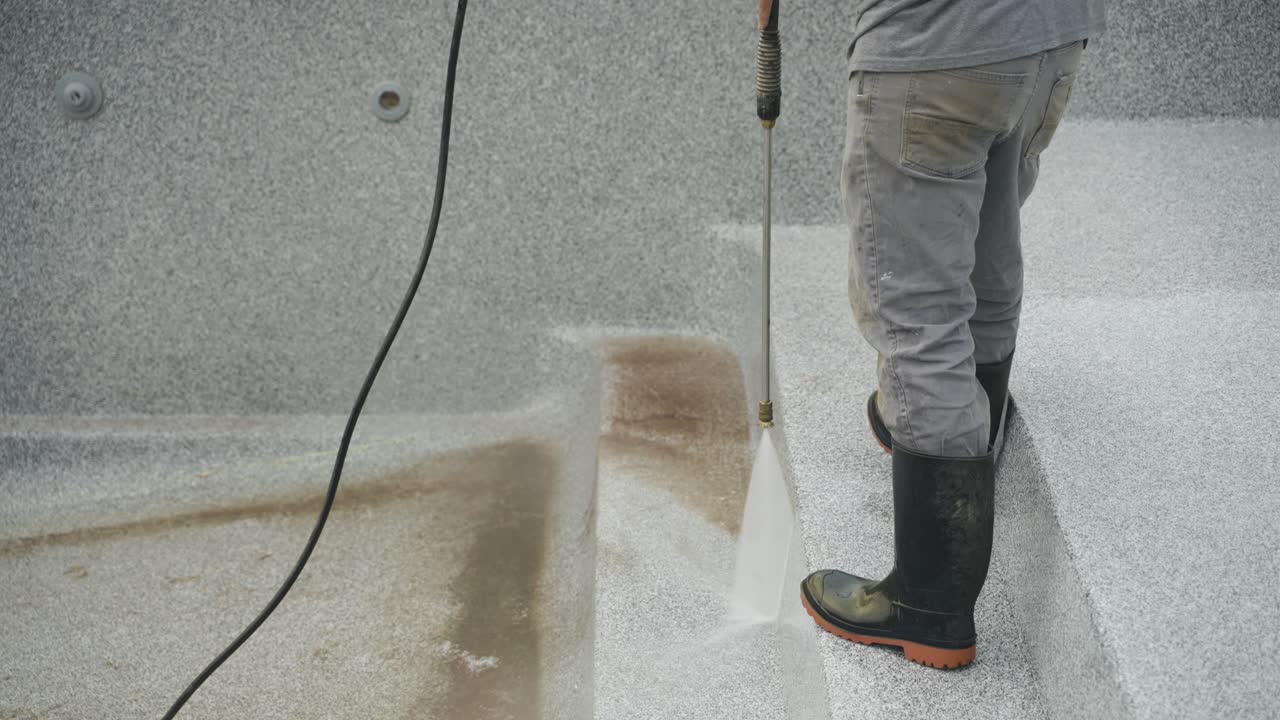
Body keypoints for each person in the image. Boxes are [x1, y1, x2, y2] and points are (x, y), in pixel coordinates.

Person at [800, 0, 1106, 670]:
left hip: (936, 42)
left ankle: (928, 605)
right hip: (1052, 36)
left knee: (918, 315)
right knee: (988, 238)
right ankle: (973, 439)